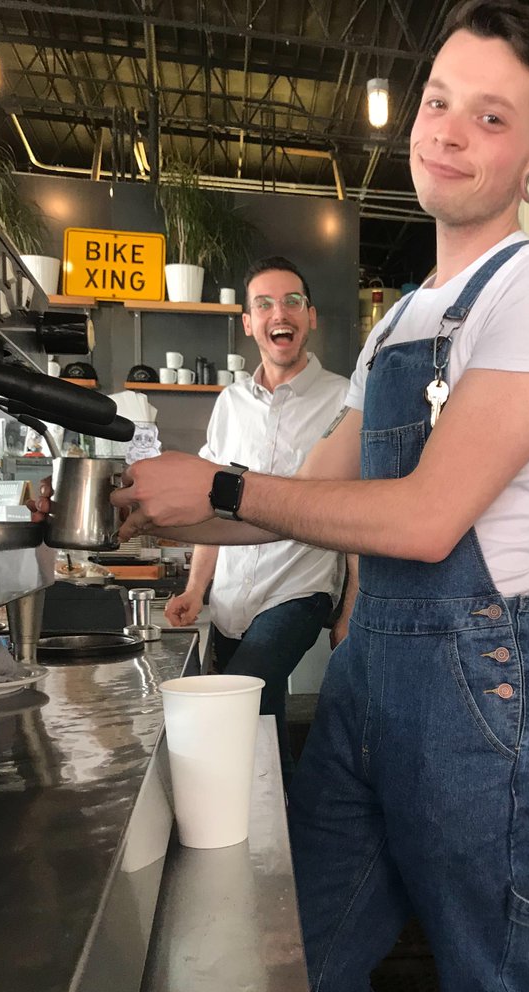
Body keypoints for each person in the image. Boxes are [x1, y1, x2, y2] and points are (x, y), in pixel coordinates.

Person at [91, 3, 529, 992]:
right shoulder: (397, 328)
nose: (450, 132)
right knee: (310, 976)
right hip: (374, 678)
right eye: (439, 100)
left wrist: (218, 481)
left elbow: (428, 517)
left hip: (479, 699)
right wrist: (167, 505)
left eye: (493, 117)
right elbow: (297, 493)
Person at [164, 256, 349, 788]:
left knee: (240, 697)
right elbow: (212, 503)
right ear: (247, 322)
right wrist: (197, 588)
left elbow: (355, 505)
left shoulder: (342, 400)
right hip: (229, 599)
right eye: (263, 303)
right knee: (261, 722)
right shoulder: (231, 402)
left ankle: (259, 832)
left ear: (309, 317)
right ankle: (281, 848)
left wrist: (350, 606)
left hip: (299, 588)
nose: (278, 312)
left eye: (292, 301)